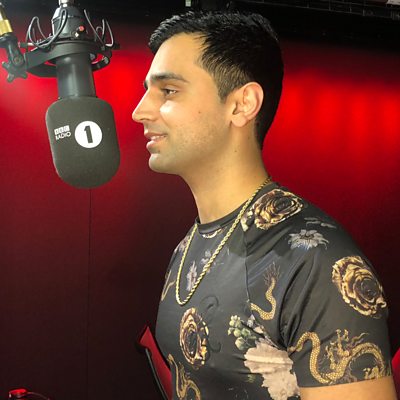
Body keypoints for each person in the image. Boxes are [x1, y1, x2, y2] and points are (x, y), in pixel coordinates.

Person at [132, 11, 396, 400]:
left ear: (242, 104)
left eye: (168, 90)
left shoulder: (315, 262)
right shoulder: (190, 245)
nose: (140, 110)